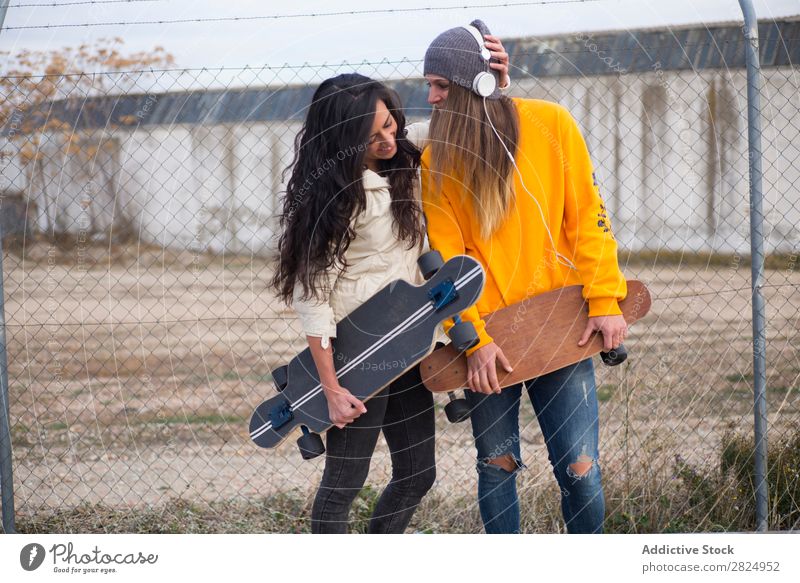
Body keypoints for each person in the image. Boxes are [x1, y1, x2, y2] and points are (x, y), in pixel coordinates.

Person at [270, 49, 509, 533]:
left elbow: (469, 122)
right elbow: (312, 298)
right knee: (342, 489)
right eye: (372, 132)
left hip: (410, 344)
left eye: (391, 123)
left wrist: (494, 84)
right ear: (342, 137)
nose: (388, 138)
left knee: (418, 474)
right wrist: (333, 390)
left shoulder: (408, 155)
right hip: (358, 356)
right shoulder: (331, 200)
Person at [419, 19, 628, 534]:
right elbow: (449, 263)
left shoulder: (551, 125)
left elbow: (588, 218)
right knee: (496, 468)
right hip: (492, 343)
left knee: (581, 471)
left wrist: (605, 299)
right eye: (429, 85)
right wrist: (474, 341)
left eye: (440, 85)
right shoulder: (436, 161)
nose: (431, 97)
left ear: (478, 83)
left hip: (562, 324)